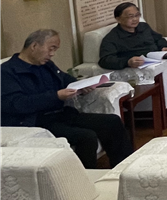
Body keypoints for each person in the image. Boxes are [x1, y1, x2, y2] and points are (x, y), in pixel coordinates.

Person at [1, 29, 133, 169]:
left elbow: (65, 79)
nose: (52, 54)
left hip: (60, 114)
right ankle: (84, 179)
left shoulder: (46, 65)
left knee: (112, 121)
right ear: (34, 46)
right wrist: (56, 96)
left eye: (55, 50)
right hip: (35, 121)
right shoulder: (7, 72)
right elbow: (17, 104)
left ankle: (123, 169)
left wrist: (81, 86)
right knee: (86, 137)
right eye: (51, 49)